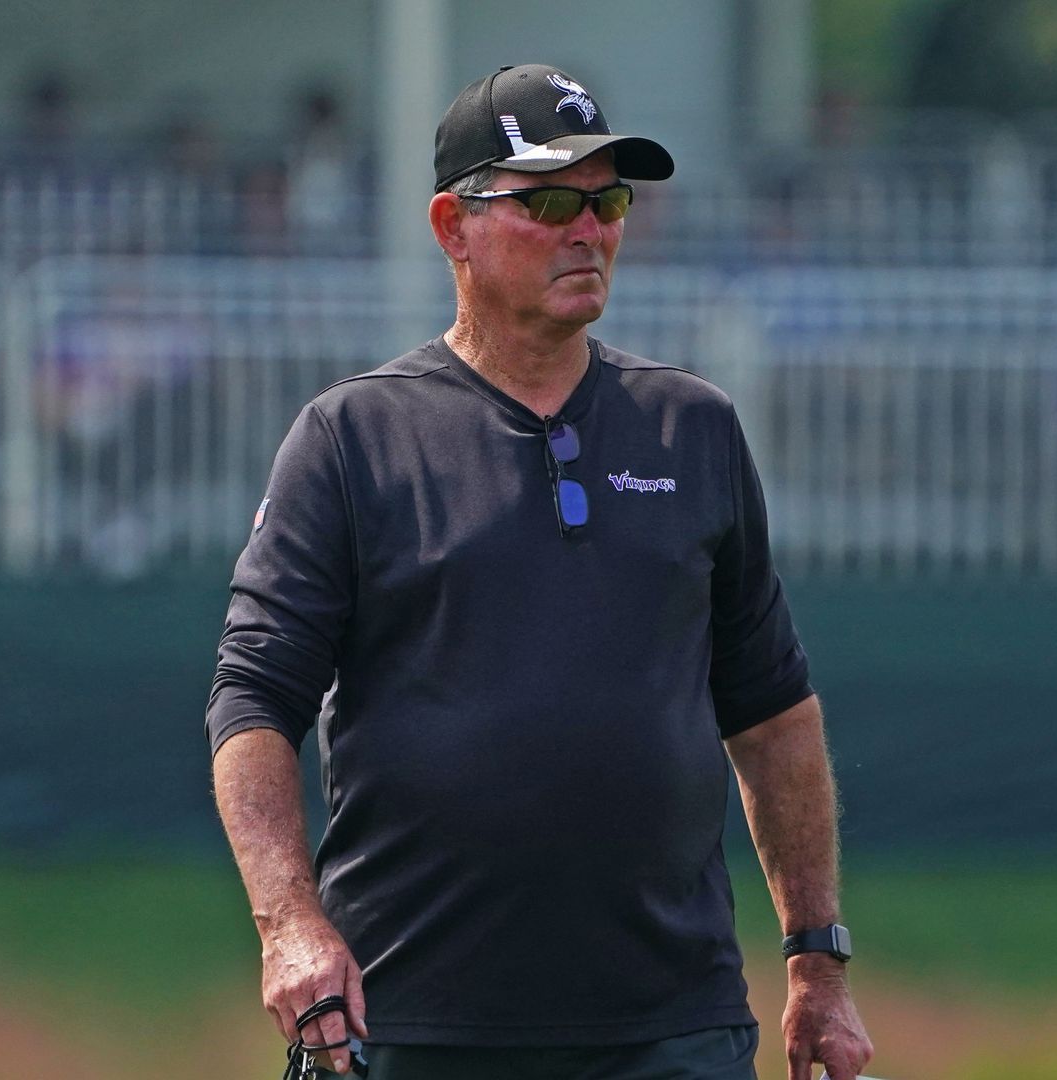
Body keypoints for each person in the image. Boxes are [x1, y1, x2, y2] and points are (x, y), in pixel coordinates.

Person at [206, 64, 873, 1080]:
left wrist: (817, 963)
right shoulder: (351, 439)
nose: (591, 229)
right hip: (412, 1019)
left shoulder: (694, 426)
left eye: (608, 201)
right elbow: (252, 701)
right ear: (452, 226)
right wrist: (290, 927)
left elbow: (773, 712)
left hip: (672, 1026)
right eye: (550, 200)